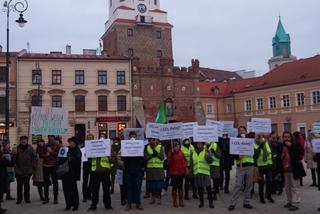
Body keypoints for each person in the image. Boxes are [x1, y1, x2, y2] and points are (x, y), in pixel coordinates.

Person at [228, 126, 254, 211]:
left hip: (250, 165)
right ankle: (232, 203)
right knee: (238, 185)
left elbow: (255, 151)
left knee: (249, 185)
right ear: (238, 132)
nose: (242, 131)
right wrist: (237, 156)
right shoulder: (235, 140)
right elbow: (232, 153)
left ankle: (247, 202)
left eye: (243, 130)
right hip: (241, 166)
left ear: (246, 131)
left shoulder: (250, 139)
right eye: (240, 130)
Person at [282, 131, 306, 211]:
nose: (286, 138)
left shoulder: (296, 144)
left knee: (294, 187)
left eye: (288, 137)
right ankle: (289, 201)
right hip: (285, 170)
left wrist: (292, 146)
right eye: (285, 137)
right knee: (287, 188)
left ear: (291, 137)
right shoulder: (282, 146)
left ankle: (295, 203)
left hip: (294, 169)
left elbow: (301, 151)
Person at [122, 131, 145, 211]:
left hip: (137, 170)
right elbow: (122, 159)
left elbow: (143, 159)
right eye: (131, 136)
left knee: (137, 187)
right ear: (129, 137)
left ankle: (138, 203)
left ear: (136, 138)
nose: (133, 138)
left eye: (134, 137)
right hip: (128, 170)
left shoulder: (140, 146)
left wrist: (139, 152)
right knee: (128, 187)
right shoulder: (125, 146)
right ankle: (129, 203)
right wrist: (127, 152)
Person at [88, 140, 114, 211]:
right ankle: (93, 205)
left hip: (105, 172)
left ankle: (107, 205)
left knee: (106, 190)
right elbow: (89, 160)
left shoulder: (108, 148)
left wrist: (108, 155)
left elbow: (113, 159)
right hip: (95, 172)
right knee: (95, 190)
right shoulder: (93, 148)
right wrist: (88, 155)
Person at [13, 136, 36, 204]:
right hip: (19, 170)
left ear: (27, 141)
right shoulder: (17, 148)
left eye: (25, 140)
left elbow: (34, 158)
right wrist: (13, 154)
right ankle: (19, 199)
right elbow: (13, 160)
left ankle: (27, 198)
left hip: (28, 170)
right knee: (19, 186)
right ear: (20, 141)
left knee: (27, 186)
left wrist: (32, 167)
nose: (23, 141)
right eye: (22, 140)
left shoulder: (30, 148)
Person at [60, 137, 81, 211]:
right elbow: (61, 159)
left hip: (72, 173)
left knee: (73, 189)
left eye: (71, 142)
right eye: (69, 142)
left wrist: (70, 158)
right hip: (65, 172)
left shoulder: (77, 150)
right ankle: (68, 204)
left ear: (75, 143)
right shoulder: (66, 149)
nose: (70, 143)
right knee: (66, 189)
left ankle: (75, 204)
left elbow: (78, 161)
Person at [190, 142, 214, 208]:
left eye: (200, 144)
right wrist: (191, 173)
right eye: (198, 144)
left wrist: (207, 155)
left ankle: (211, 203)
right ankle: (201, 202)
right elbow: (191, 163)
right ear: (196, 145)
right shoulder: (193, 152)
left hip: (205, 172)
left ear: (203, 144)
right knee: (200, 189)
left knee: (208, 188)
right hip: (197, 173)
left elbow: (211, 161)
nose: (199, 145)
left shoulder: (206, 151)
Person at [40, 135, 61, 204]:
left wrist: (51, 151)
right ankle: (46, 198)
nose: (50, 139)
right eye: (49, 138)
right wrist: (45, 155)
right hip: (45, 166)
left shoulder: (58, 146)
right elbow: (40, 154)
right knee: (46, 183)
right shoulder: (45, 145)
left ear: (54, 138)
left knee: (55, 182)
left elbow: (59, 155)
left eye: (52, 138)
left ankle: (55, 198)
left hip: (54, 166)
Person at [254, 133, 274, 204]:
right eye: (259, 136)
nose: (261, 137)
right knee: (261, 182)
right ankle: (261, 197)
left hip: (268, 165)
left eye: (262, 136)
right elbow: (255, 155)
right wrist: (260, 146)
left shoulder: (266, 143)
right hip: (260, 166)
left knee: (270, 181)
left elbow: (269, 152)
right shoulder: (255, 144)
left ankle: (268, 195)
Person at [145, 138, 165, 205]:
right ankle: (153, 198)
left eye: (154, 140)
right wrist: (151, 155)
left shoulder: (160, 147)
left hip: (158, 169)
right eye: (152, 140)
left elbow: (162, 157)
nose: (153, 141)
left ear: (157, 140)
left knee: (158, 185)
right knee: (152, 185)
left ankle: (159, 198)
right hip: (150, 169)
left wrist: (156, 153)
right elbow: (145, 158)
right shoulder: (147, 147)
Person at [167, 141, 187, 208]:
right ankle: (175, 201)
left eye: (178, 146)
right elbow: (169, 163)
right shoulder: (170, 153)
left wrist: (184, 167)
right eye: (176, 146)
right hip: (173, 173)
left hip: (180, 173)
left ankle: (181, 201)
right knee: (174, 187)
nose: (177, 147)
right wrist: (172, 156)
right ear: (173, 147)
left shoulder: (181, 153)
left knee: (180, 187)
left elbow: (185, 160)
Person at [111, 137, 125, 206]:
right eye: (114, 141)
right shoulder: (111, 147)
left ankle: (121, 190)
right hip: (113, 165)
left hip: (119, 166)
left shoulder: (121, 147)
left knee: (120, 179)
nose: (115, 142)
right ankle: (112, 188)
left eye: (117, 141)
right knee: (112, 177)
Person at [82, 134, 93, 202]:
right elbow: (81, 154)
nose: (90, 139)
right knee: (85, 181)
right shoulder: (83, 146)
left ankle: (89, 194)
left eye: (91, 138)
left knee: (92, 181)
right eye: (88, 138)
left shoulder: (94, 146)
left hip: (92, 165)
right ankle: (84, 196)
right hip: (86, 165)